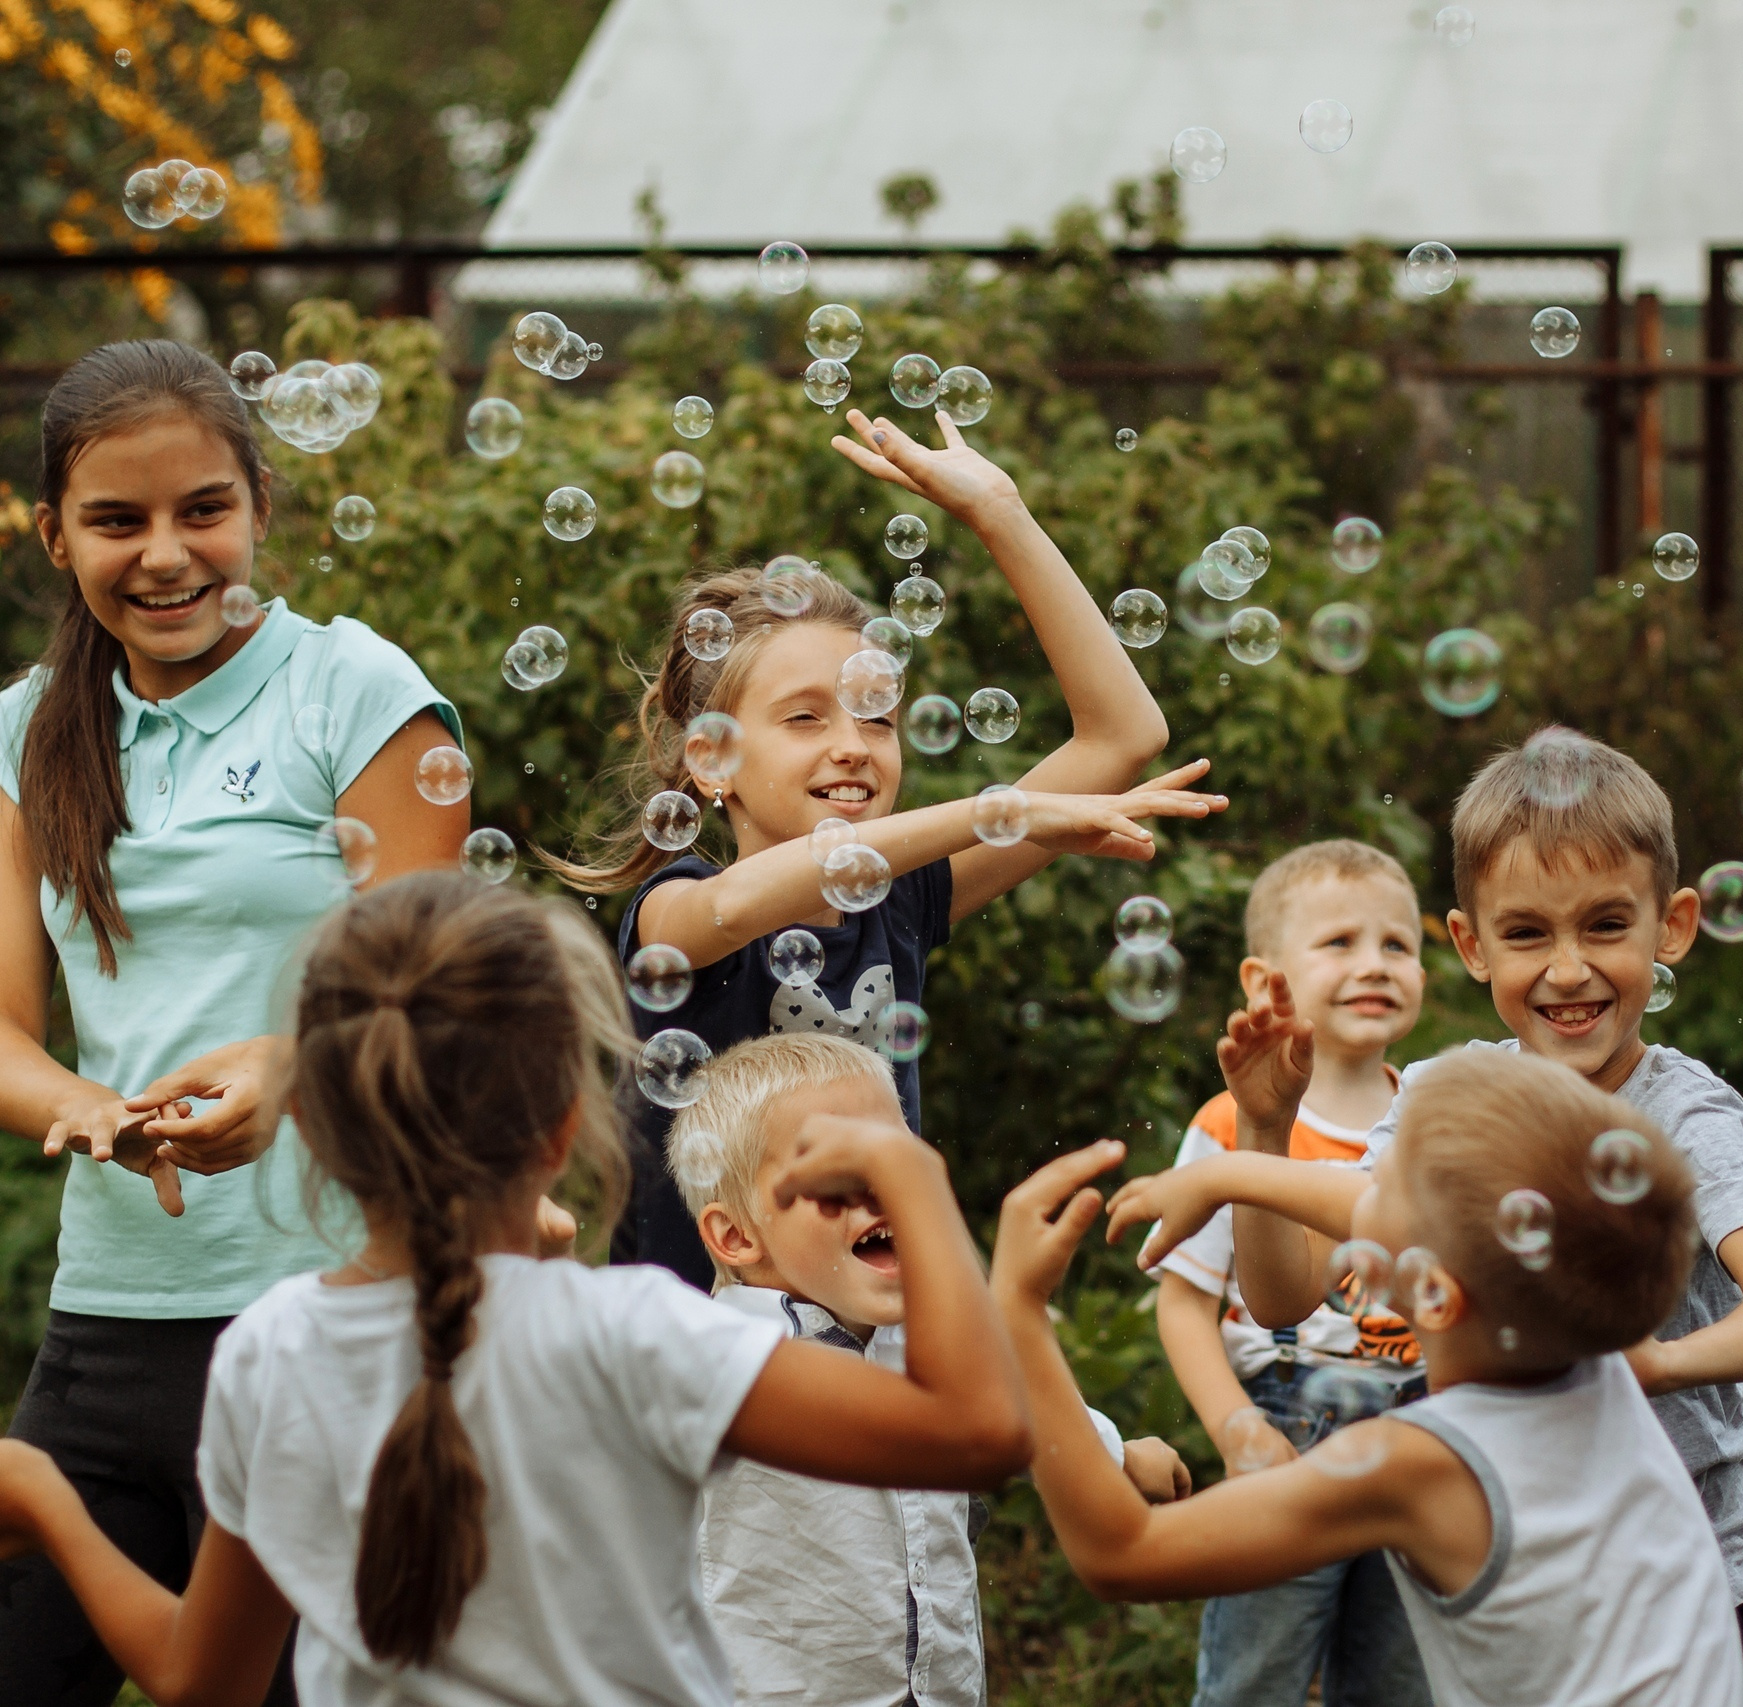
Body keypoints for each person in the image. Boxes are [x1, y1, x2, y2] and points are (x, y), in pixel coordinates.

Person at [0, 872, 1036, 1707]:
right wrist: (909, 1175)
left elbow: (202, 1680)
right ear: (567, 1128)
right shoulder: (636, 1335)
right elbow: (978, 1433)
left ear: (312, 1132)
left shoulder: (272, 1353)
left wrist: (53, 1508)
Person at [0, 340, 470, 1707]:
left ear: (260, 508)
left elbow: (441, 998)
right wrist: (90, 1108)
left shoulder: (355, 694)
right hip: (106, 1320)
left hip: (330, 1305)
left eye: (202, 511)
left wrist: (291, 1070)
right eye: (117, 519)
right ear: (55, 534)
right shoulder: (37, 725)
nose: (165, 554)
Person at [1112, 727, 1743, 1707]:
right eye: (1528, 933)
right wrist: (1261, 1141)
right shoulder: (1448, 1093)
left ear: (1672, 926)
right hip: (1499, 1558)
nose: (1568, 970)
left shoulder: (1682, 1116)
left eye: (1606, 927)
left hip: (1687, 1565)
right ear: (1469, 943)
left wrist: (1649, 1362)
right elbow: (1289, 1295)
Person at [560, 405, 1225, 1284]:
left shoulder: (898, 899)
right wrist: (1009, 813)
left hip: (864, 1329)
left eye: (877, 714)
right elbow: (738, 902)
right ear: (711, 760)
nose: (852, 742)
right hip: (686, 1362)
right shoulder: (675, 911)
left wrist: (1001, 513)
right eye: (805, 717)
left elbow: (1124, 734)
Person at [999, 1050, 1743, 1706]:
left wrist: (1020, 1315)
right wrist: (1226, 1171)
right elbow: (1398, 1222)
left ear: (1429, 1290)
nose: (1355, 1188)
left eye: (1382, 1180)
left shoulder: (1419, 1463)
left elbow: (1121, 1552)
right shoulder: (1584, 1347)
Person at [671, 1032, 1190, 1707]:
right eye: (837, 1172)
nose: (882, 1190)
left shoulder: (936, 1334)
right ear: (738, 1234)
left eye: (894, 1161)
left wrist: (1110, 1451)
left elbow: (1008, 1409)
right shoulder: (712, 1355)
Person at [1148, 840, 1434, 1707]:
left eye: (1398, 944)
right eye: (1339, 942)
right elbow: (1185, 1305)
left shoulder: (1436, 1119)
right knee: (1256, 1677)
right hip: (1290, 1420)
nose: (1373, 964)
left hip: (1427, 1425)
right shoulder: (1232, 1125)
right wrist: (1237, 1428)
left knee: (1404, 1675)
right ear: (1262, 979)